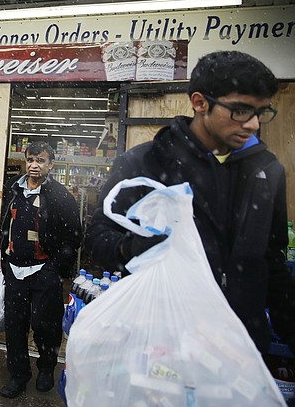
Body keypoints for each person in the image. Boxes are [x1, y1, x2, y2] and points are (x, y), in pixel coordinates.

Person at [85, 50, 295, 355]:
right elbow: (96, 236)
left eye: (260, 112)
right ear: (199, 103)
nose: (252, 125)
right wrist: (127, 249)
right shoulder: (145, 163)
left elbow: (272, 260)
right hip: (161, 345)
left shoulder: (267, 171)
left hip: (239, 348)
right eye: (240, 111)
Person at [0, 141, 81, 398]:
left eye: (41, 161)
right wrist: (2, 256)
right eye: (31, 159)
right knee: (15, 326)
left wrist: (56, 268)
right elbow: (4, 224)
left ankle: (46, 369)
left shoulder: (60, 195)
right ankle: (19, 375)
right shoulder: (13, 189)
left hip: (44, 270)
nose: (35, 165)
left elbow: (74, 237)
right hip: (15, 271)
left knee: (46, 325)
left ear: (50, 165)